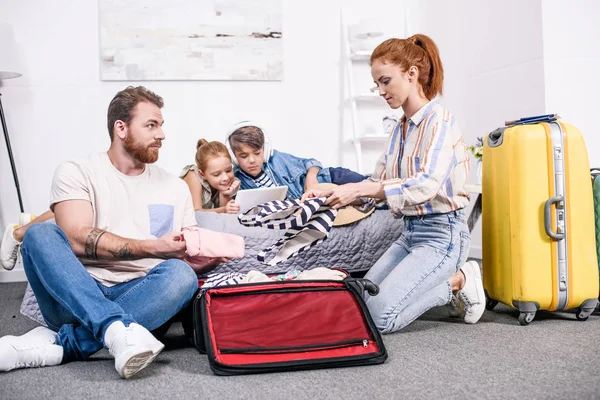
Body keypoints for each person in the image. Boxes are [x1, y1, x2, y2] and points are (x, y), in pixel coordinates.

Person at [0, 86, 222, 378]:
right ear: (121, 128)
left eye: (161, 126)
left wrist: (201, 253)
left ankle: (68, 343)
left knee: (181, 276)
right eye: (151, 125)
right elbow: (78, 238)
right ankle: (116, 330)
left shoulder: (175, 187)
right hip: (74, 295)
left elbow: (183, 250)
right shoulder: (77, 171)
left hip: (141, 296)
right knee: (38, 235)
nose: (162, 135)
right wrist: (153, 247)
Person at [302, 34, 485, 334]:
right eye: (377, 84)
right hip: (410, 233)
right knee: (359, 301)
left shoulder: (439, 120)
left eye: (385, 81)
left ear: (411, 74)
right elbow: (377, 185)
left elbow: (425, 185)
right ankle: (448, 280)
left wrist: (362, 189)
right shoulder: (398, 130)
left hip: (443, 236)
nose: (380, 91)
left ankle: (458, 281)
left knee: (379, 319)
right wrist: (333, 193)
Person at [224, 121, 368, 200]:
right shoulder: (238, 183)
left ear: (265, 150)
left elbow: (311, 162)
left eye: (257, 153)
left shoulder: (277, 159)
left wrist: (311, 178)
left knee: (369, 185)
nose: (252, 160)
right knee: (363, 197)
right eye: (244, 156)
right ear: (234, 157)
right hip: (315, 199)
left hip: (330, 176)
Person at [180, 139, 240, 214]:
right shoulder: (193, 175)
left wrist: (225, 194)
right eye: (217, 174)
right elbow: (196, 213)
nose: (226, 178)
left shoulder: (231, 181)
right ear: (202, 174)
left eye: (228, 170)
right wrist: (224, 209)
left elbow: (224, 218)